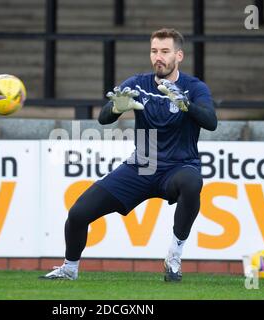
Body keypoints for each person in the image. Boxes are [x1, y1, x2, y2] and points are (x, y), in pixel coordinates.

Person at [40, 28, 217, 282]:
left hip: (179, 166)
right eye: (154, 51)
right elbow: (103, 118)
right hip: (142, 165)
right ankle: (69, 268)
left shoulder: (193, 87)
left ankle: (174, 257)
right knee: (78, 213)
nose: (159, 57)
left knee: (192, 182)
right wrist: (115, 108)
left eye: (165, 52)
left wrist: (186, 105)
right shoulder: (137, 83)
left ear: (179, 55)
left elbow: (211, 122)